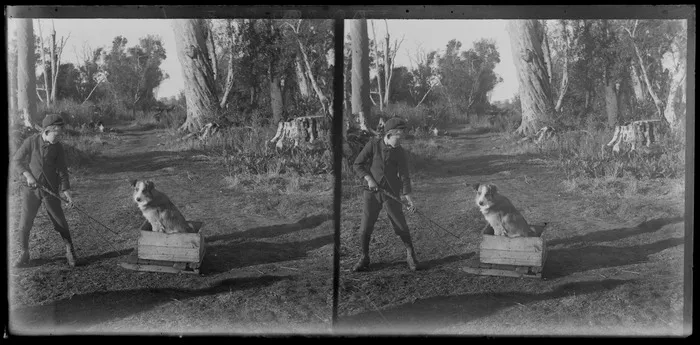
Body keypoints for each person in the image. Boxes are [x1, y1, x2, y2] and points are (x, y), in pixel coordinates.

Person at [352, 117, 421, 272]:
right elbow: (358, 164)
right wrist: (369, 179)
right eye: (399, 136)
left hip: (391, 194)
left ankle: (410, 254)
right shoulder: (373, 145)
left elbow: (404, 176)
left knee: (400, 225)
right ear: (389, 134)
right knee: (365, 227)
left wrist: (409, 199)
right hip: (371, 193)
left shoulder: (400, 152)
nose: (401, 139)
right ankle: (364, 257)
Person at [12, 114, 77, 268]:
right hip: (31, 190)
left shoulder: (58, 147)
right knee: (25, 223)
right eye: (57, 133)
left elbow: (62, 170)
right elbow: (17, 161)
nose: (58, 137)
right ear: (47, 131)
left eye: (60, 134)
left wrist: (66, 190)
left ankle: (70, 250)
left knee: (60, 221)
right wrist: (28, 175)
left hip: (50, 190)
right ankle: (24, 253)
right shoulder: (31, 142)